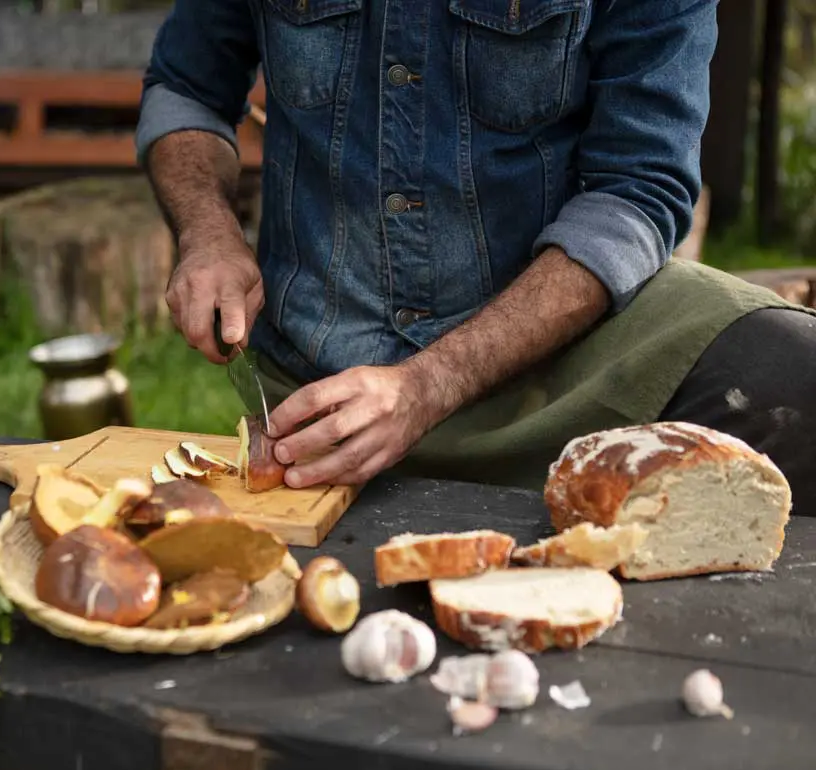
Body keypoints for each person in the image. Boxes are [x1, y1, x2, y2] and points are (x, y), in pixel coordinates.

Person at [135, 0, 816, 515]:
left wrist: (428, 385)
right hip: (320, 397)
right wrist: (208, 232)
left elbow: (638, 190)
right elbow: (186, 87)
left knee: (797, 374)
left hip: (564, 368)